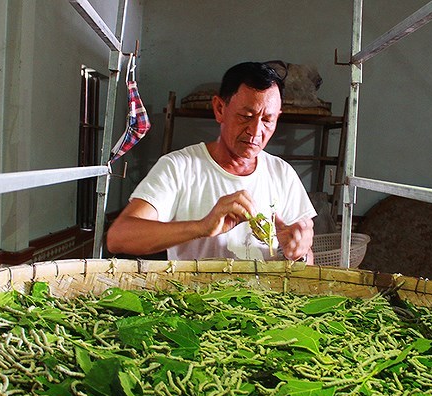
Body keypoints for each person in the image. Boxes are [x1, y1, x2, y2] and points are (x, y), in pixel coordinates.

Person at [106, 62, 317, 263]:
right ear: (219, 109)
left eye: (267, 120)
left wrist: (299, 254)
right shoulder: (179, 167)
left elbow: (306, 260)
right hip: (194, 298)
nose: (255, 132)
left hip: (261, 299)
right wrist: (202, 227)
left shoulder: (282, 174)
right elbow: (119, 237)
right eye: (246, 116)